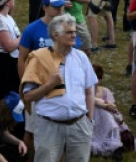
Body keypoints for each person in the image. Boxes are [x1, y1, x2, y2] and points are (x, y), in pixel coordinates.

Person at [20, 13, 97, 162]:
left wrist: (90, 120)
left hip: (80, 125)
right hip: (49, 126)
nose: (74, 35)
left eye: (74, 32)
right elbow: (28, 96)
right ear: (55, 35)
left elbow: (89, 91)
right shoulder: (39, 59)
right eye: (69, 32)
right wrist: (50, 85)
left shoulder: (81, 57)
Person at [91, 64, 136, 159]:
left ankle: (116, 146)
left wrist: (109, 108)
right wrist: (101, 103)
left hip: (107, 120)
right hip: (91, 120)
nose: (96, 82)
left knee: (107, 117)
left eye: (98, 78)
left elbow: (112, 108)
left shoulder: (105, 91)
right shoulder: (83, 93)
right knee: (102, 112)